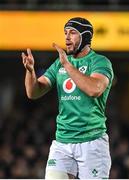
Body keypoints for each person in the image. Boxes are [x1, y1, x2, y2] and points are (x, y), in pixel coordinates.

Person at [22, 17, 114, 179]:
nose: (66, 37)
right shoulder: (60, 63)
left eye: (72, 33)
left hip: (91, 142)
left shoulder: (100, 62)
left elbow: (94, 89)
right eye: (65, 33)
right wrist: (30, 71)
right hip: (62, 141)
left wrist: (67, 65)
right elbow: (34, 92)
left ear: (85, 36)